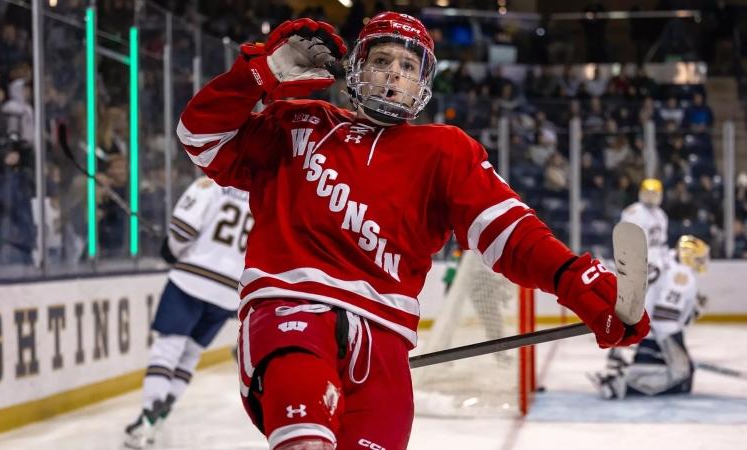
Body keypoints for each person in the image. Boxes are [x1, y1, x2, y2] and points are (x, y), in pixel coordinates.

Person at [177, 13, 649, 450]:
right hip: (292, 309)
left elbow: (508, 231)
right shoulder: (299, 121)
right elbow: (201, 137)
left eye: (408, 65)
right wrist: (261, 73)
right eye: (382, 60)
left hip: (385, 339)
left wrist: (573, 279)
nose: (394, 73)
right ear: (358, 68)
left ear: (423, 82)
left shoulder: (445, 150)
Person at [124, 177, 251, 449]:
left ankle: (147, 419)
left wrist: (171, 251)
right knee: (190, 354)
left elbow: (183, 229)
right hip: (229, 291)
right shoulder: (264, 191)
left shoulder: (211, 183)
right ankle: (160, 415)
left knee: (167, 349)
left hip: (191, 280)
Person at [589, 235, 709, 399]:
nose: (701, 262)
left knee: (666, 371)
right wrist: (677, 347)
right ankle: (619, 385)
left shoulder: (666, 260)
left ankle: (622, 376)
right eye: (698, 258)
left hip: (640, 327)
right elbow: (665, 319)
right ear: (688, 256)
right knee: (682, 376)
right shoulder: (682, 276)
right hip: (654, 334)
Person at [621, 178, 668, 250]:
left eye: (654, 194)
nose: (650, 197)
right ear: (641, 193)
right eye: (647, 193)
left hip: (655, 252)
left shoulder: (661, 215)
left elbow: (663, 241)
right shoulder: (632, 211)